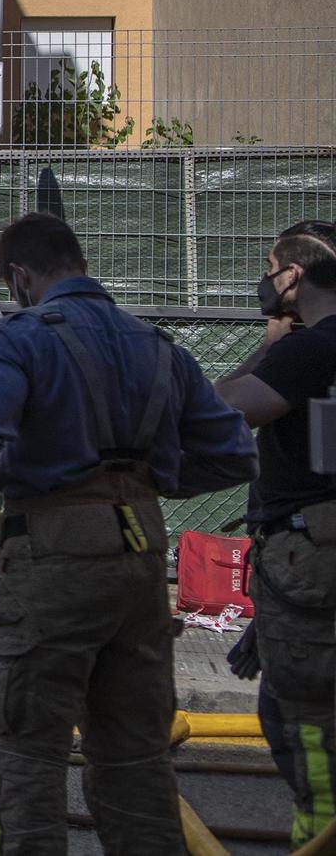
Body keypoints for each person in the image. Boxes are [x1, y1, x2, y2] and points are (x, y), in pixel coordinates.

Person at [0, 212, 256, 856]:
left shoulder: (21, 337)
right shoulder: (159, 346)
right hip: (140, 562)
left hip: (52, 559)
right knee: (136, 761)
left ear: (20, 276)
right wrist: (137, 485)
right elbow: (234, 456)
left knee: (19, 752)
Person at [215, 220, 336, 846]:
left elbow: (223, 407)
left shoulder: (312, 347)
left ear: (294, 274)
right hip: (314, 566)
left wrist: (269, 344)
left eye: (271, 266)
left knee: (304, 721)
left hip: (311, 558)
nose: (267, 279)